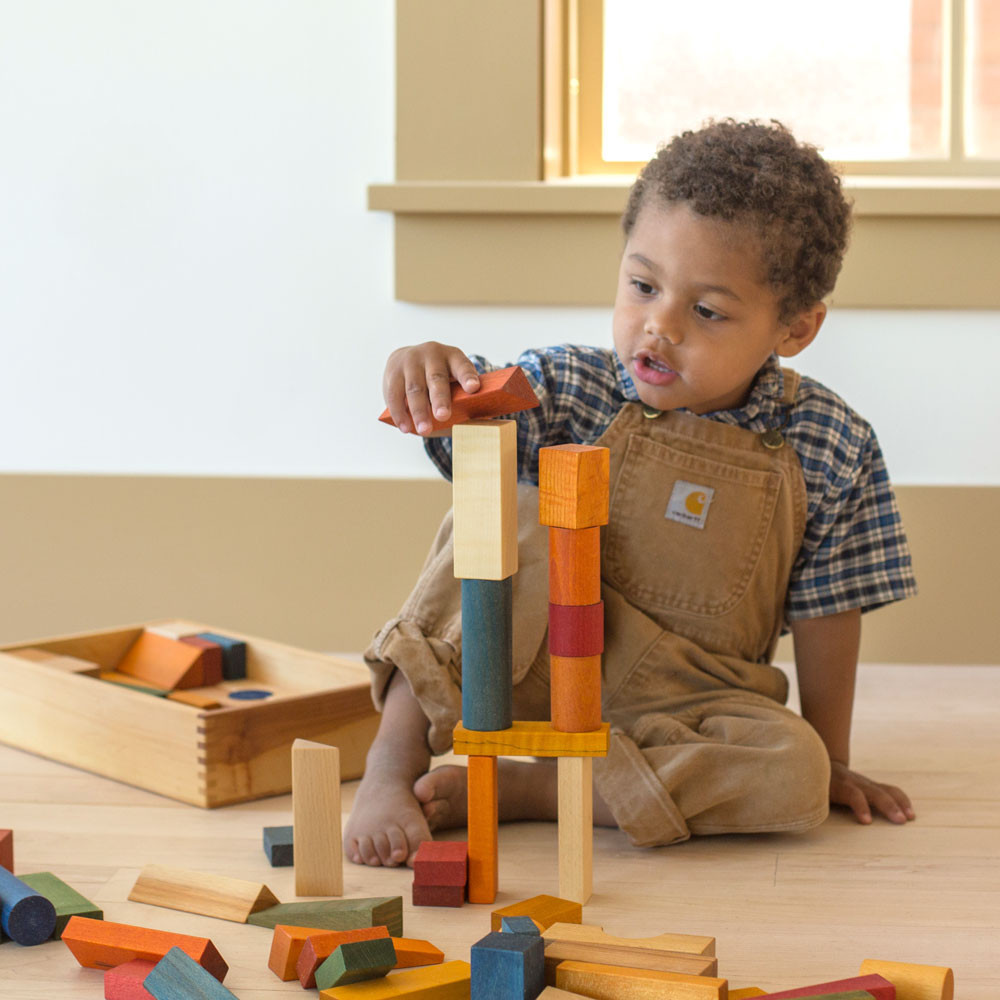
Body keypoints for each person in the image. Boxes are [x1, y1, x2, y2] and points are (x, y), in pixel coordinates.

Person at [344, 119, 917, 868]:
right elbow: (468, 426)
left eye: (707, 312)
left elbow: (829, 612)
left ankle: (544, 792)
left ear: (796, 328)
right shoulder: (573, 386)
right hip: (531, 670)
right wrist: (432, 373)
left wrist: (833, 756)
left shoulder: (830, 442)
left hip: (686, 705)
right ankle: (391, 762)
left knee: (796, 773)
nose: (658, 326)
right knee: (506, 507)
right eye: (643, 286)